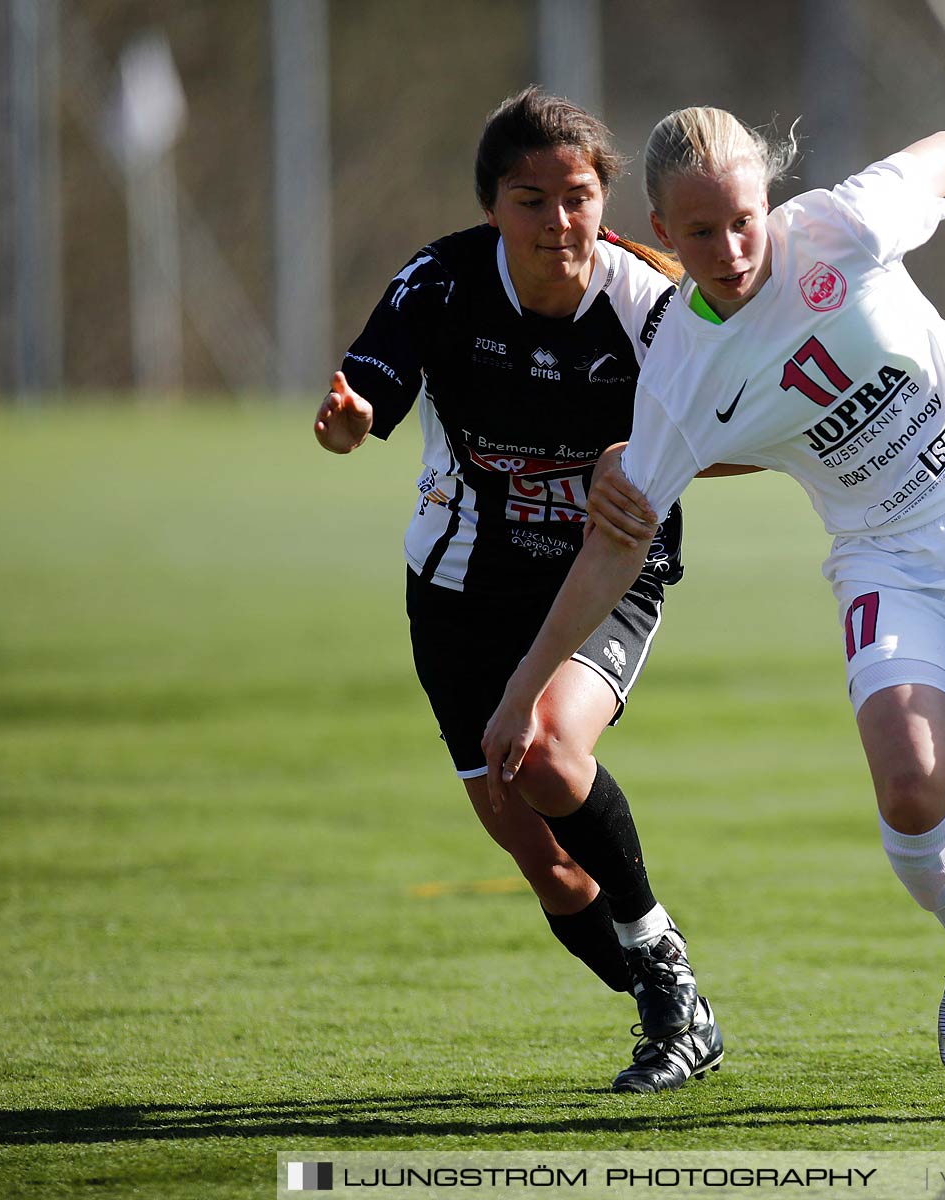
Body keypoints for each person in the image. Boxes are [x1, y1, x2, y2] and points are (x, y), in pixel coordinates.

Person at [482, 108, 945, 1115]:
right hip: (886, 557)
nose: (731, 249)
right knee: (909, 792)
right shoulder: (679, 367)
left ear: (771, 200)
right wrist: (523, 689)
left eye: (745, 218)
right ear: (662, 232)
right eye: (702, 231)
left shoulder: (840, 228)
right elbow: (615, 544)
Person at [312, 87, 724, 1094]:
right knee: (546, 864)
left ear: (605, 199)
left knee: (543, 748)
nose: (558, 220)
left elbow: (748, 433)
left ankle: (670, 984)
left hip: (606, 577)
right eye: (530, 200)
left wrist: (641, 460)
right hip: (457, 586)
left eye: (576, 195)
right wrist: (352, 416)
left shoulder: (653, 303)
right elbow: (372, 385)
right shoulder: (442, 282)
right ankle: (670, 1006)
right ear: (493, 207)